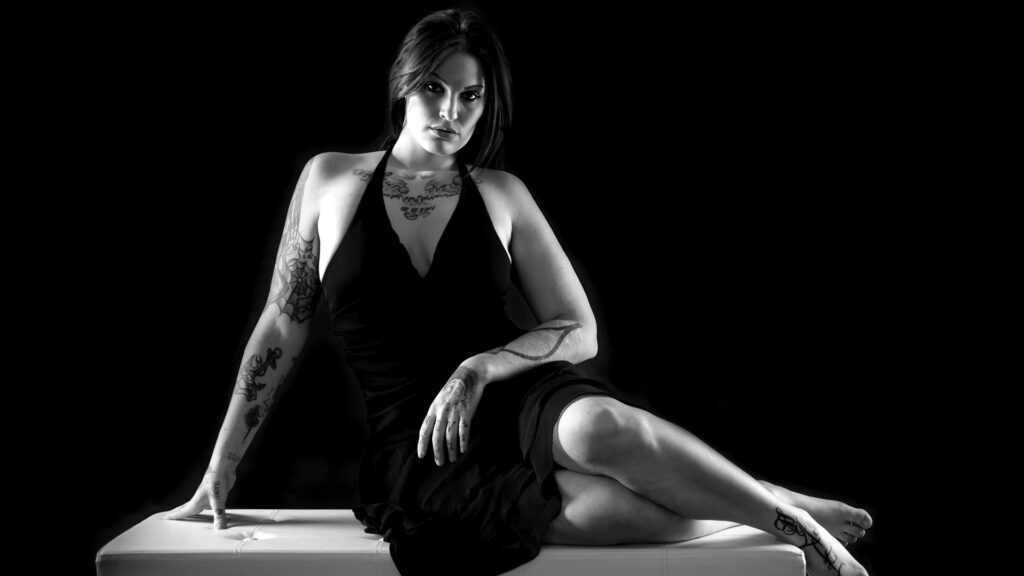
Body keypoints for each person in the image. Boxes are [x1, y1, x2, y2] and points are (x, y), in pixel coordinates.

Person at [164, 8, 874, 576]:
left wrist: (480, 367)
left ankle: (794, 527)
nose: (451, 111)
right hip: (420, 442)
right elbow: (280, 328)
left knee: (599, 428)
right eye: (434, 88)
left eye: (470, 96)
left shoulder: (501, 192)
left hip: (518, 395)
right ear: (404, 82)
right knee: (612, 513)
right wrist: (222, 465)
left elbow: (579, 328)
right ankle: (764, 497)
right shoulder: (329, 179)